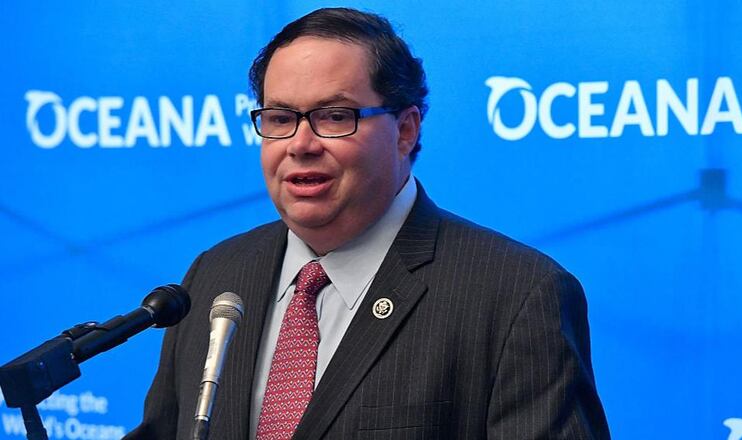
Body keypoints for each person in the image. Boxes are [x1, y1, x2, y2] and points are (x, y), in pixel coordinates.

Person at [126, 7, 610, 440]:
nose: (300, 144)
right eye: (279, 118)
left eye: (334, 116)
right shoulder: (217, 275)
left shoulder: (517, 295)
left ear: (405, 130)